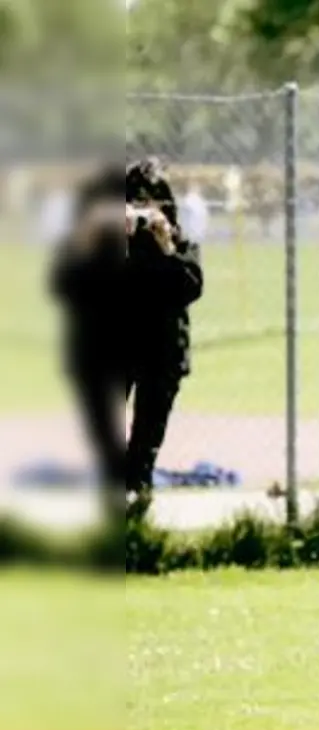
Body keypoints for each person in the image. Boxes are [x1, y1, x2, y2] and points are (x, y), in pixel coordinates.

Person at [48, 157, 204, 511]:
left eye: (150, 203)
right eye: (133, 203)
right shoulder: (106, 244)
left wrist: (165, 246)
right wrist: (90, 237)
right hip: (115, 350)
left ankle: (137, 503)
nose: (141, 213)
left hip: (163, 352)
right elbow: (65, 285)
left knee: (145, 442)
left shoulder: (178, 242)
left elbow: (190, 288)